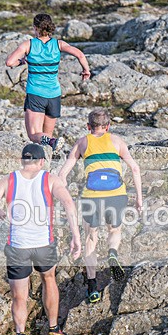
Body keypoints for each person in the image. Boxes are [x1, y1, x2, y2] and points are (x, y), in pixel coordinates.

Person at [0, 143, 82, 335]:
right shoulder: (49, 179)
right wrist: (76, 237)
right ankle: (53, 331)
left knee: (19, 296)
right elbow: (70, 205)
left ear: (22, 161)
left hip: (18, 246)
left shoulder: (9, 180)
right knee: (49, 280)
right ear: (42, 161)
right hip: (44, 243)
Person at [57, 109, 142, 304]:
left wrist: (64, 199)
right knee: (115, 229)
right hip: (116, 194)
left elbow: (63, 174)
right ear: (108, 127)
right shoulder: (117, 141)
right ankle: (112, 252)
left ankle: (92, 287)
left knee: (90, 238)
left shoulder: (82, 142)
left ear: (88, 127)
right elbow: (135, 168)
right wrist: (139, 199)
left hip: (91, 196)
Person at [5, 13, 91, 151]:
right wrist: (86, 70)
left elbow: (9, 62)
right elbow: (80, 54)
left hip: (36, 94)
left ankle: (48, 149)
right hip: (54, 95)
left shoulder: (29, 44)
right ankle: (48, 160)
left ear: (35, 27)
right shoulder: (58, 44)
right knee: (47, 138)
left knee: (34, 135)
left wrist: (21, 61)